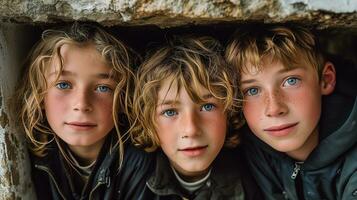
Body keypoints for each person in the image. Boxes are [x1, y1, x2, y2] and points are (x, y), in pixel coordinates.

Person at [14, 22, 154, 200]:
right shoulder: (33, 158)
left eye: (103, 88)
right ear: (39, 95)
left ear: (123, 99)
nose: (81, 104)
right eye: (63, 84)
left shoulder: (139, 163)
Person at [225, 24, 357, 200]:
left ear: (325, 80)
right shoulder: (251, 150)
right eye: (253, 90)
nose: (274, 108)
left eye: (291, 81)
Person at [130, 36, 261, 199]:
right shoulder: (130, 179)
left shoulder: (255, 179)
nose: (191, 130)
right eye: (170, 112)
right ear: (148, 121)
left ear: (229, 112)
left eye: (207, 107)